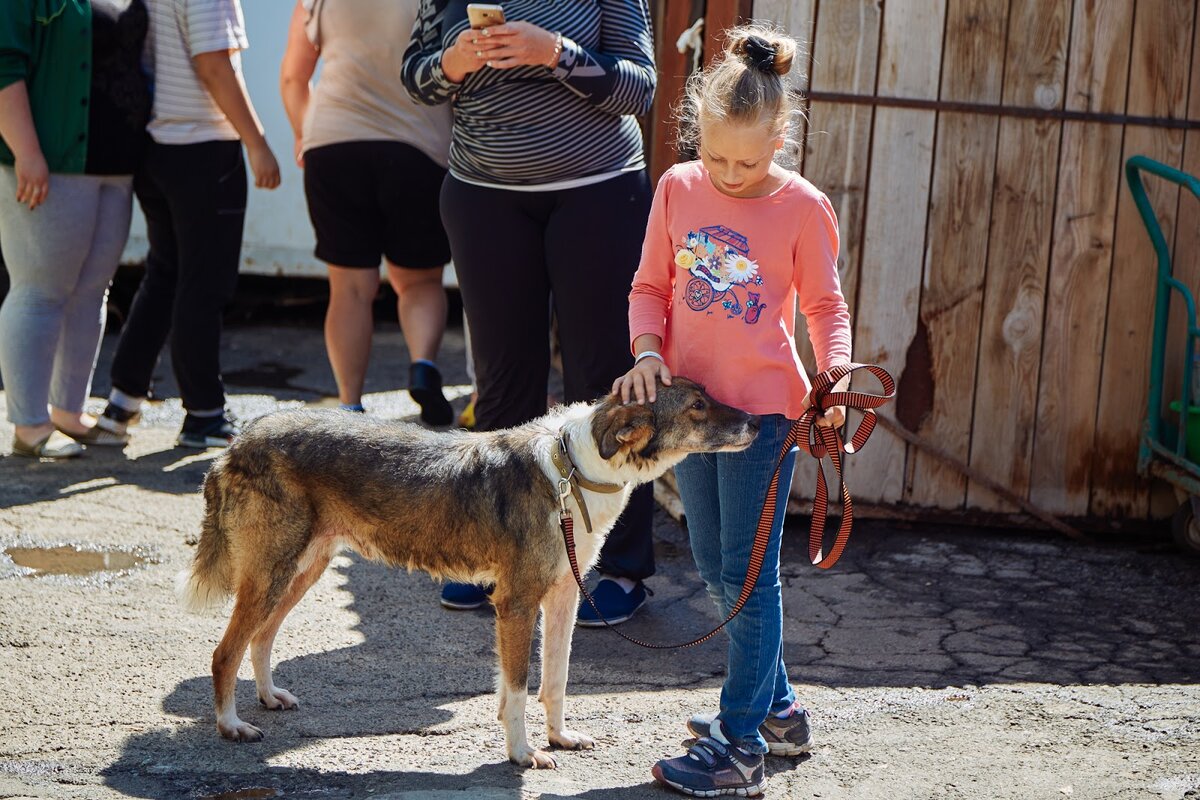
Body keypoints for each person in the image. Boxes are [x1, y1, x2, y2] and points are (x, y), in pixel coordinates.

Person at [614, 26, 852, 798]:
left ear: (780, 138)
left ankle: (742, 743)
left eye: (747, 162)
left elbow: (824, 306)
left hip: (763, 418)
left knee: (748, 582)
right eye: (716, 157)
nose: (729, 173)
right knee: (717, 569)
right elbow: (649, 288)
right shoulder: (678, 189)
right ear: (697, 137)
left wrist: (838, 376)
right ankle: (778, 708)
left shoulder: (804, 208)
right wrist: (648, 351)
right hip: (693, 417)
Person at [402, 0, 660, 622]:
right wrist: (453, 61)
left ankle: (616, 568)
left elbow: (640, 88)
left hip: (599, 193)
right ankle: (494, 556)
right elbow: (414, 76)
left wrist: (557, 55)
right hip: (484, 198)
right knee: (501, 385)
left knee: (604, 382)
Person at [94, 0, 280, 448]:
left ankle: (122, 401)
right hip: (203, 147)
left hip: (158, 146)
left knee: (165, 274)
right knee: (204, 284)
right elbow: (213, 64)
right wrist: (257, 142)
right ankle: (204, 414)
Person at [279, 0, 454, 422]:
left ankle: (350, 402)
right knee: (418, 282)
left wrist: (305, 133)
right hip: (417, 148)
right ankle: (423, 367)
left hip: (334, 144)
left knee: (350, 289)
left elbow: (292, 77)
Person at [0, 0, 151, 459]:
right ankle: (28, 425)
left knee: (92, 290)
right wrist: (26, 151)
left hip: (115, 165)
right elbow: (5, 63)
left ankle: (68, 411)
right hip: (51, 162)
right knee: (40, 289)